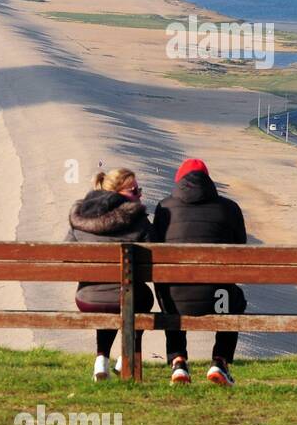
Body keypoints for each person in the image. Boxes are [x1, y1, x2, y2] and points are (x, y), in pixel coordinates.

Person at [151, 158, 248, 386]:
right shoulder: (229, 207)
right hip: (218, 300)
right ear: (209, 181)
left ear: (179, 181)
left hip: (175, 300)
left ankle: (178, 361)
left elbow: (156, 247)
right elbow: (241, 249)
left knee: (168, 294)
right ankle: (220, 361)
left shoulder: (164, 207)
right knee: (235, 299)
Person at [65, 168, 153, 381]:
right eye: (134, 190)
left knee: (110, 297)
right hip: (128, 296)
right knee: (139, 298)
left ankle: (101, 360)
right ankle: (127, 356)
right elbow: (154, 260)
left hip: (87, 299)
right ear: (118, 193)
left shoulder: (80, 217)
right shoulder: (139, 220)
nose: (140, 195)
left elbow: (67, 255)